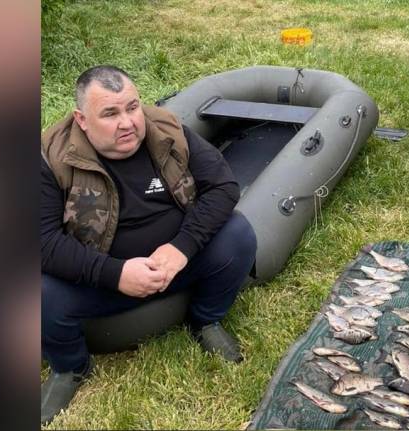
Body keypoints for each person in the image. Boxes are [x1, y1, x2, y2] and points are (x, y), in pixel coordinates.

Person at [40, 65, 257, 424]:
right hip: (102, 278)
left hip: (177, 262)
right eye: (110, 113)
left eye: (132, 107)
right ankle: (69, 367)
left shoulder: (168, 131)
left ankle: (206, 320)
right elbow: (43, 241)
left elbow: (223, 187)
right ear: (81, 120)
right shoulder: (50, 158)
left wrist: (181, 248)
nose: (127, 123)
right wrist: (115, 274)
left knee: (238, 234)